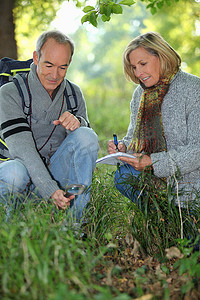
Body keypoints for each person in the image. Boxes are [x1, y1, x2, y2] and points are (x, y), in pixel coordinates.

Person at [0, 30, 99, 222]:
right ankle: (10, 226)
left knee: (87, 136)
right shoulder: (9, 92)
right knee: (14, 172)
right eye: (49, 65)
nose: (55, 75)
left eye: (63, 67)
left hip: (57, 180)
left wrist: (78, 124)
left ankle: (73, 223)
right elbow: (23, 149)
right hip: (19, 174)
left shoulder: (73, 94)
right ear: (36, 58)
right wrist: (50, 188)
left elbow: (85, 146)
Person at [107, 31, 200, 208]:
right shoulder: (140, 94)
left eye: (143, 64)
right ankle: (158, 218)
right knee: (123, 176)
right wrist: (123, 147)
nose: (139, 72)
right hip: (154, 177)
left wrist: (153, 162)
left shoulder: (194, 89)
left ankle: (175, 217)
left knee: (189, 235)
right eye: (134, 67)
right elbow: (132, 135)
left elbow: (197, 151)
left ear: (162, 56)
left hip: (192, 181)